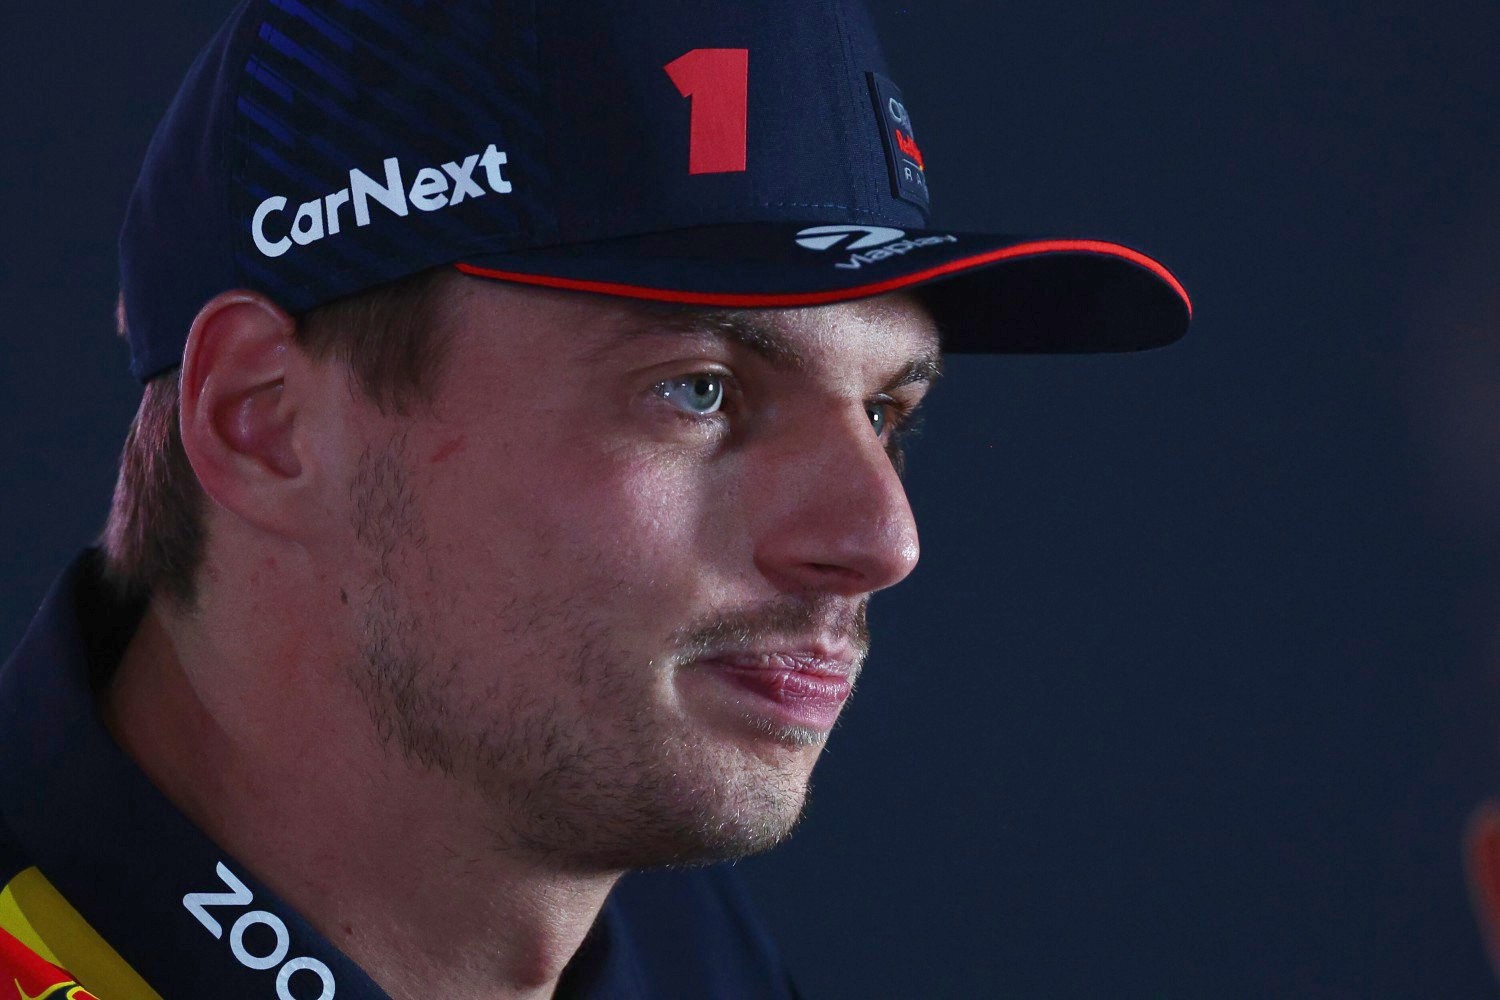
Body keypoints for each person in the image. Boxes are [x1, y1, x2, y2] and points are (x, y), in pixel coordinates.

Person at [0, 0, 1191, 997]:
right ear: (261, 420)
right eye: (699, 389)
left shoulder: (684, 951)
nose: (880, 538)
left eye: (886, 412)